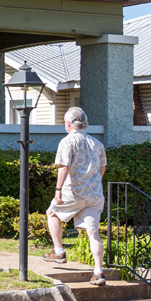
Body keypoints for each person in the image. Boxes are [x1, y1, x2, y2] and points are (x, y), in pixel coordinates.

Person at [42, 106, 108, 285]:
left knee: (52, 213)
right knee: (93, 234)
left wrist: (58, 190)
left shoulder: (67, 142)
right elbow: (102, 167)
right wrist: (93, 183)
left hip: (74, 192)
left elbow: (64, 167)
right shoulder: (97, 143)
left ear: (69, 124)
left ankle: (58, 251)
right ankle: (98, 272)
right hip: (94, 194)